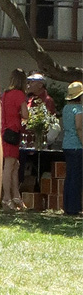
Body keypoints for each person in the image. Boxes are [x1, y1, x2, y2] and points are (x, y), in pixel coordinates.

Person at [0, 68, 30, 211]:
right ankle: (6, 198)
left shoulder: (5, 94)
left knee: (14, 166)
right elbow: (26, 114)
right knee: (9, 166)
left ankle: (15, 197)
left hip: (5, 131)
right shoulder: (19, 95)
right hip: (13, 132)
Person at [63, 82, 83, 216]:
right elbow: (79, 128)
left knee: (69, 176)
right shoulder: (79, 109)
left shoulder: (65, 108)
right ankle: (74, 207)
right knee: (77, 177)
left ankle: (67, 206)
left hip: (66, 144)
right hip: (77, 145)